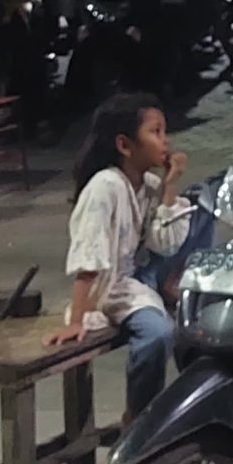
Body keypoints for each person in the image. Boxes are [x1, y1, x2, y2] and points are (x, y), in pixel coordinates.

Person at [49, 96, 199, 421]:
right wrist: (77, 320)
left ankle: (169, 287)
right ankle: (140, 417)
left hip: (135, 278)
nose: (165, 141)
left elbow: (166, 244)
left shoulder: (149, 184)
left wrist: (170, 187)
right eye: (155, 132)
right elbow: (88, 255)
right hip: (109, 289)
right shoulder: (104, 187)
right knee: (157, 334)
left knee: (203, 203)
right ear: (124, 145)